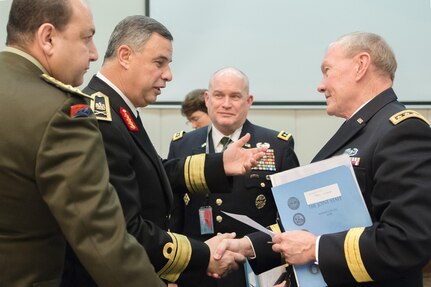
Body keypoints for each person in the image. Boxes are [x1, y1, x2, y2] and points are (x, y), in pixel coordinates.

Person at [61, 15, 265, 287]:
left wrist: (219, 164)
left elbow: (153, 171)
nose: (168, 75)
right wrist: (203, 254)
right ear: (125, 56)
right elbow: (126, 229)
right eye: (159, 63)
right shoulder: (101, 119)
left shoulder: (117, 110)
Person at [214, 32, 431, 287]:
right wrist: (248, 246)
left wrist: (315, 249)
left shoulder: (401, 130)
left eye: (327, 70)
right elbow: (320, 222)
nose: (320, 85)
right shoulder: (364, 129)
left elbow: (407, 241)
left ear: (361, 65)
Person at [0, 0, 166, 286]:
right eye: (86, 38)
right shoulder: (62, 113)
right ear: (48, 37)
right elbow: (103, 242)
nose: (94, 53)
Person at [168, 67, 299, 287]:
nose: (226, 104)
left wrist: (287, 276)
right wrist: (172, 275)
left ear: (249, 101)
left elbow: (294, 217)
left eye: (235, 96)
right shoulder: (183, 145)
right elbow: (175, 217)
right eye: (219, 95)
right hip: (198, 273)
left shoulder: (276, 146)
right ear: (207, 99)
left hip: (255, 273)